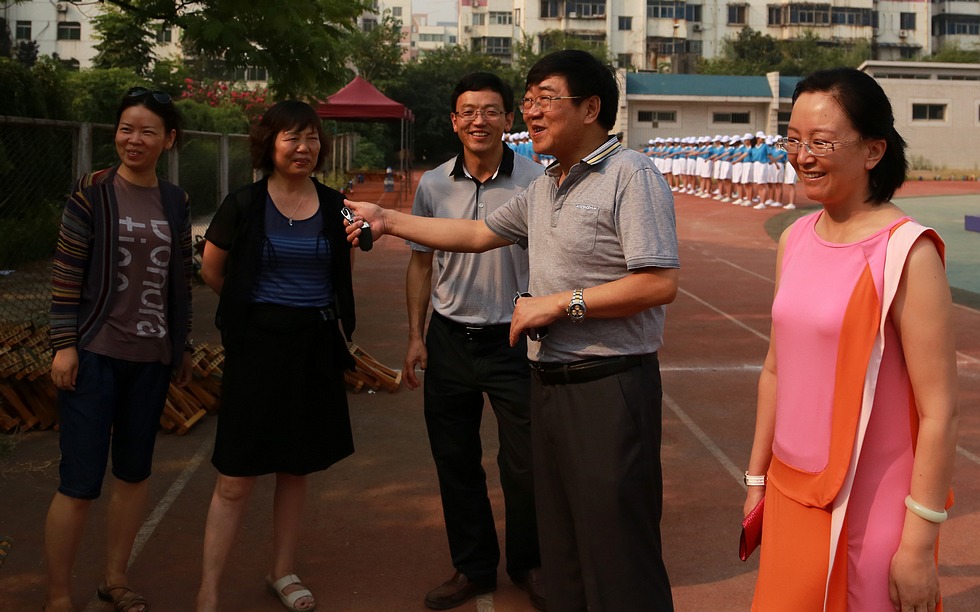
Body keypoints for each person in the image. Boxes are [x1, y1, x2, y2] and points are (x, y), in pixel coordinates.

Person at [346, 49, 679, 612]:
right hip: (549, 380)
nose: (531, 112)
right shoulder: (546, 186)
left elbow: (658, 283)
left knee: (617, 543)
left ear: (591, 107)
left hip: (609, 383)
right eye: (528, 101)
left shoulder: (631, 174)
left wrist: (560, 304)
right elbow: (477, 234)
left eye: (545, 99)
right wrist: (389, 220)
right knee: (563, 538)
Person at [743, 67, 958, 611]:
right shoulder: (794, 238)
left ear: (873, 151)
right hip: (791, 491)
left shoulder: (908, 252)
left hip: (872, 506)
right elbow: (775, 369)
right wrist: (756, 479)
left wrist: (919, 543)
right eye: (793, 140)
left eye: (821, 142)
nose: (802, 156)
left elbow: (938, 412)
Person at [196, 100, 358, 612]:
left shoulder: (337, 206)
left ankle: (282, 571)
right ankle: (208, 590)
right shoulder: (243, 204)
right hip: (257, 347)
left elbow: (342, 271)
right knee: (235, 476)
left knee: (295, 467)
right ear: (269, 144)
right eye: (292, 137)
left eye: (311, 137)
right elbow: (212, 270)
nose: (303, 147)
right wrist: (252, 309)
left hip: (313, 347)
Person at [45, 86, 193, 612]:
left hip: (150, 359)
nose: (135, 139)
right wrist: (64, 345)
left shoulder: (175, 201)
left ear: (168, 140)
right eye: (126, 129)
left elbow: (181, 278)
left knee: (133, 474)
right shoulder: (91, 193)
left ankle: (115, 579)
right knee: (79, 482)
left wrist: (181, 345)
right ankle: (58, 596)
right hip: (94, 355)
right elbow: (66, 273)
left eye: (148, 131)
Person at [405, 72, 545, 611]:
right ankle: (473, 567)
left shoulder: (539, 181)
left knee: (526, 463)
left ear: (509, 119)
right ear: (454, 121)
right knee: (455, 459)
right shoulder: (433, 184)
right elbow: (421, 264)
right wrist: (415, 336)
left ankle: (529, 564)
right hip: (449, 339)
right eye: (468, 111)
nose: (478, 121)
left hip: (516, 341)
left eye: (490, 111)